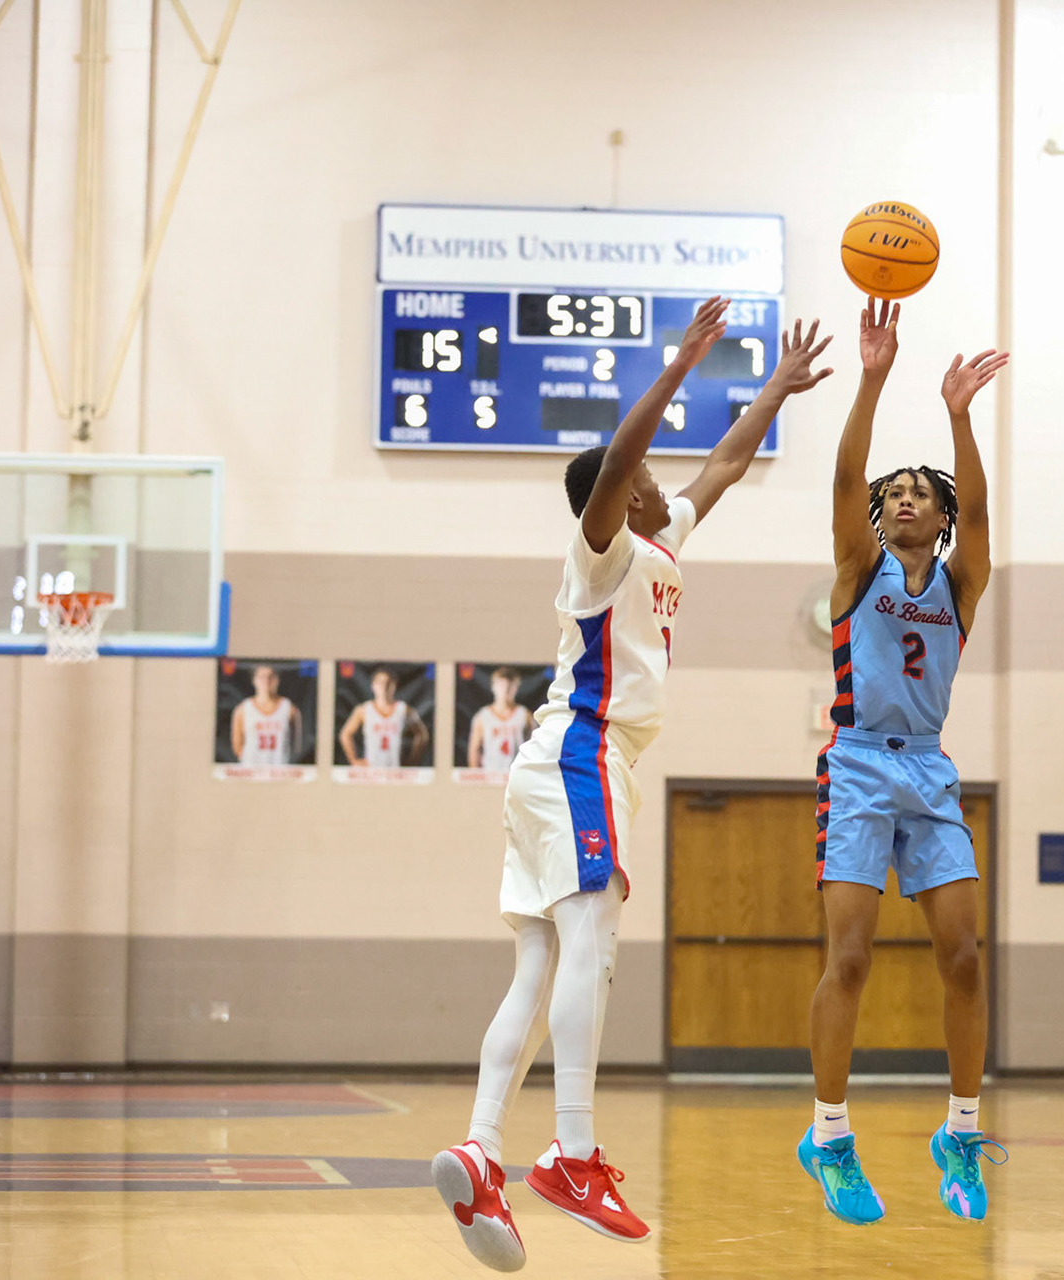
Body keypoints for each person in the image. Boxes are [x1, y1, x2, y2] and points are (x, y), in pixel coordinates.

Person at [430, 303, 833, 1272]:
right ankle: (571, 1152)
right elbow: (615, 462)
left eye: (652, 480)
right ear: (616, 499)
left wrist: (773, 390)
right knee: (594, 939)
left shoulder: (662, 541)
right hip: (581, 754)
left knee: (538, 965)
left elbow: (727, 467)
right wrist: (682, 364)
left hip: (556, 764)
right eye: (646, 476)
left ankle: (480, 1148)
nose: (657, 481)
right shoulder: (601, 547)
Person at [801, 299, 1009, 1226]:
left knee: (962, 958)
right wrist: (874, 377)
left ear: (944, 518)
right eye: (896, 493)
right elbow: (847, 471)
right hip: (855, 763)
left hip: (926, 768)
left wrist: (960, 416)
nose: (904, 497)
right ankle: (830, 1136)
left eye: (922, 491)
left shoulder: (963, 583)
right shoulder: (858, 568)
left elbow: (983, 506)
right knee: (850, 956)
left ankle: (959, 1131)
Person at [342, 667, 428, 768]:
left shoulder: (404, 710)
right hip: (371, 770)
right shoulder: (363, 710)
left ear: (394, 685)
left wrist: (413, 760)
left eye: (388, 682)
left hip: (396, 769)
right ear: (373, 685)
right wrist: (354, 760)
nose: (384, 686)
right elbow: (345, 734)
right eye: (380, 682)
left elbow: (422, 734)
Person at [231, 663, 301, 767]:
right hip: (250, 772)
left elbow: (297, 746)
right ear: (254, 680)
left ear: (277, 680)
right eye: (262, 677)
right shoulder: (242, 710)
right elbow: (237, 746)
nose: (266, 681)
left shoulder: (290, 709)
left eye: (271, 676)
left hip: (280, 772)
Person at [467, 667, 535, 771]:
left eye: (510, 686)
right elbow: (474, 750)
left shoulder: (525, 715)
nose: (505, 690)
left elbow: (534, 747)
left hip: (517, 774)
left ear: (516, 688)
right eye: (501, 685)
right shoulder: (482, 717)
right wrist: (476, 774)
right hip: (490, 775)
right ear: (493, 687)